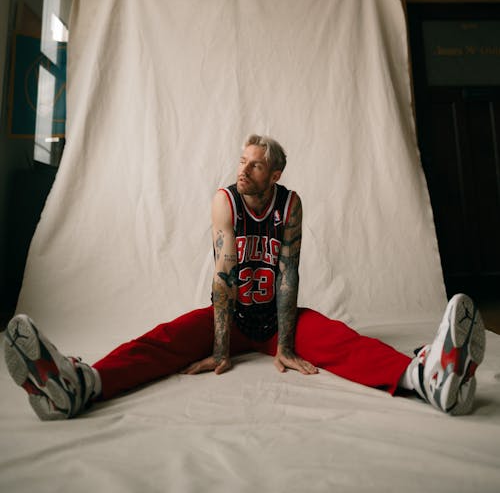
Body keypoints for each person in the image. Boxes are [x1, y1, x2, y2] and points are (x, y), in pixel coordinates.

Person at [4, 134, 486, 420]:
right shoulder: (224, 201)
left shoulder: (290, 204)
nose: (244, 169)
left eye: (255, 164)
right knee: (164, 341)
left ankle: (428, 378)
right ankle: (79, 385)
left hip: (278, 319)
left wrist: (287, 345)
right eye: (242, 159)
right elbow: (223, 276)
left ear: (275, 172)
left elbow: (290, 274)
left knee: (342, 341)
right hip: (231, 315)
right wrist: (218, 349)